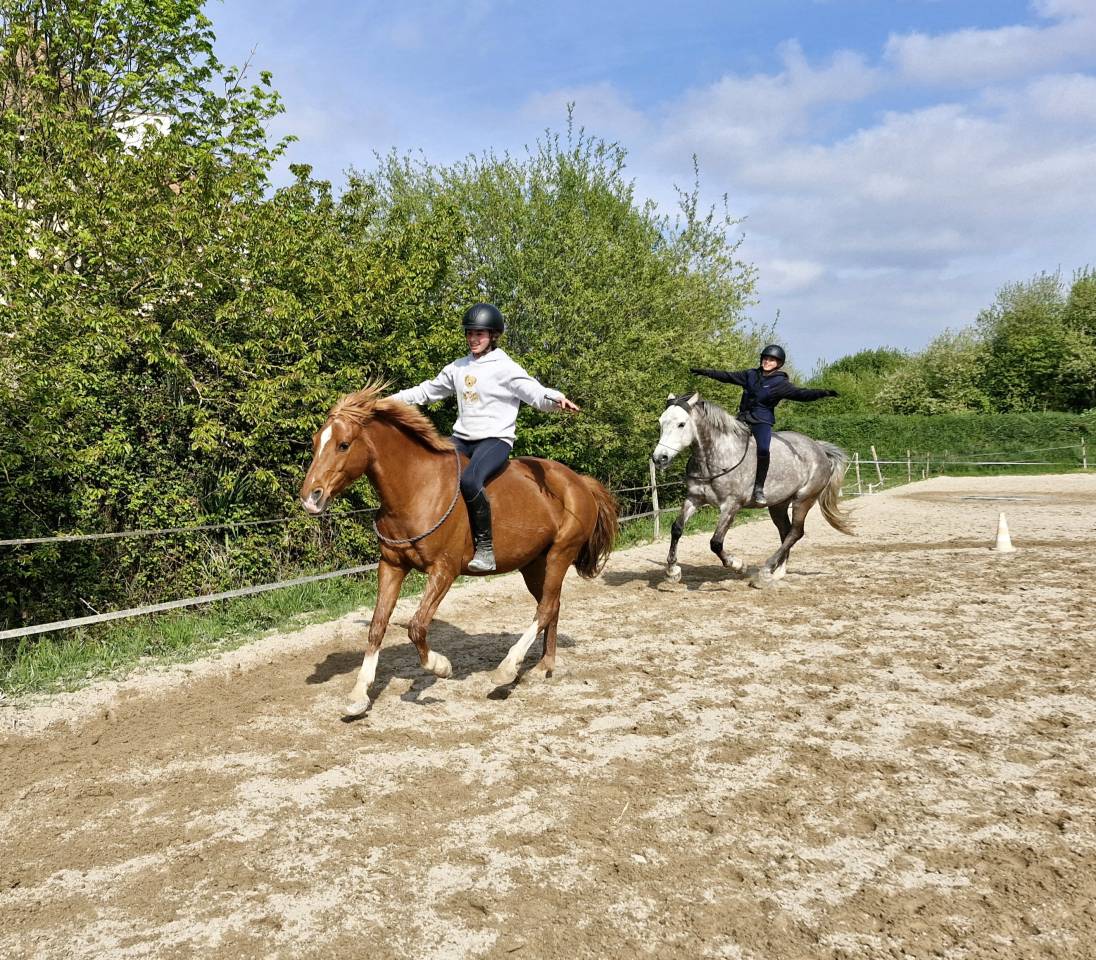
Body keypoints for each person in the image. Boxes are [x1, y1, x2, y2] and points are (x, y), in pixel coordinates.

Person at [391, 303, 580, 572]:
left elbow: (534, 392)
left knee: (470, 480)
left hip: (494, 441)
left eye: (479, 334)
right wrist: (385, 402)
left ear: (493, 336)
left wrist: (556, 399)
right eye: (470, 333)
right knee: (429, 471)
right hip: (461, 439)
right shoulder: (458, 367)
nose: (473, 339)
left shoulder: (505, 367)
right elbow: (426, 391)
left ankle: (485, 548)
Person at [690, 345, 838, 506]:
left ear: (778, 363)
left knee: (762, 449)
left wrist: (823, 393)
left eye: (772, 360)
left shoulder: (781, 383)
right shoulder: (750, 375)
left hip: (762, 422)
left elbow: (801, 394)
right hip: (742, 420)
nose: (767, 362)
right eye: (766, 358)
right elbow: (727, 376)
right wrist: (705, 372)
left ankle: (758, 487)